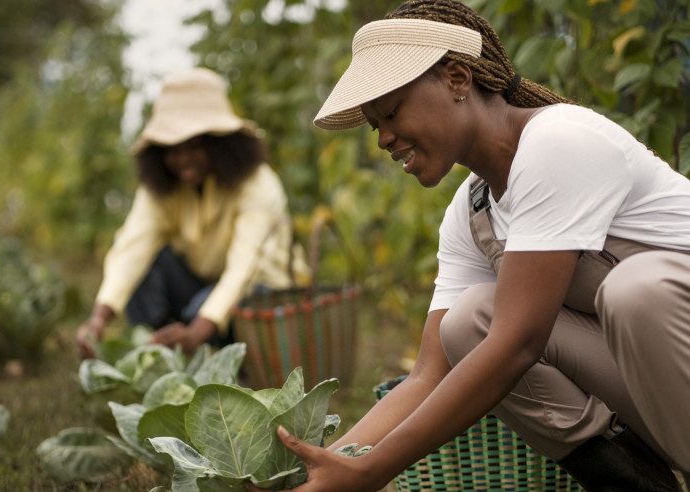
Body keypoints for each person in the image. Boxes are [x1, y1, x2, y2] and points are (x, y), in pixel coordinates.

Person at [262, 1, 690, 491]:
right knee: (469, 324)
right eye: (374, 123)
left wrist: (370, 472)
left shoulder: (560, 141)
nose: (382, 138)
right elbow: (426, 377)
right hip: (669, 402)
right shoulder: (474, 211)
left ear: (458, 79)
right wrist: (319, 468)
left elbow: (518, 343)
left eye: (391, 112)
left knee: (635, 290)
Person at [76, 67, 309, 358]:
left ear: (221, 144)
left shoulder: (258, 184)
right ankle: (167, 348)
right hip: (200, 289)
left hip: (264, 297)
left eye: (194, 145)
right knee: (146, 269)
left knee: (205, 304)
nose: (182, 158)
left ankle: (207, 347)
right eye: (171, 149)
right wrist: (99, 318)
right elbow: (132, 246)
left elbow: (244, 270)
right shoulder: (163, 188)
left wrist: (196, 331)